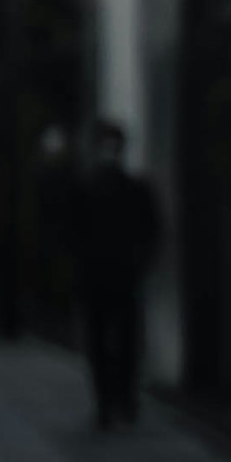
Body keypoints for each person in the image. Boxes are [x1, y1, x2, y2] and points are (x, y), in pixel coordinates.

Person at [72, 119, 163, 430]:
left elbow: (151, 231)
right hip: (113, 275)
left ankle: (113, 400)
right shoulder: (115, 188)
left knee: (112, 340)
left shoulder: (111, 188)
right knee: (115, 340)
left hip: (113, 275)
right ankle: (115, 400)